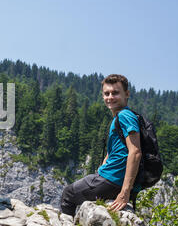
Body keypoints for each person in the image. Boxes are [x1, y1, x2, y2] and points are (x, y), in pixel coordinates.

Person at [60, 74, 142, 216]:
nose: (110, 97)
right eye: (106, 93)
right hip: (112, 177)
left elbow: (135, 151)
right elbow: (115, 150)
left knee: (68, 194)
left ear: (127, 94)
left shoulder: (124, 116)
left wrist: (125, 191)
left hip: (113, 179)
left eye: (115, 93)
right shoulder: (121, 116)